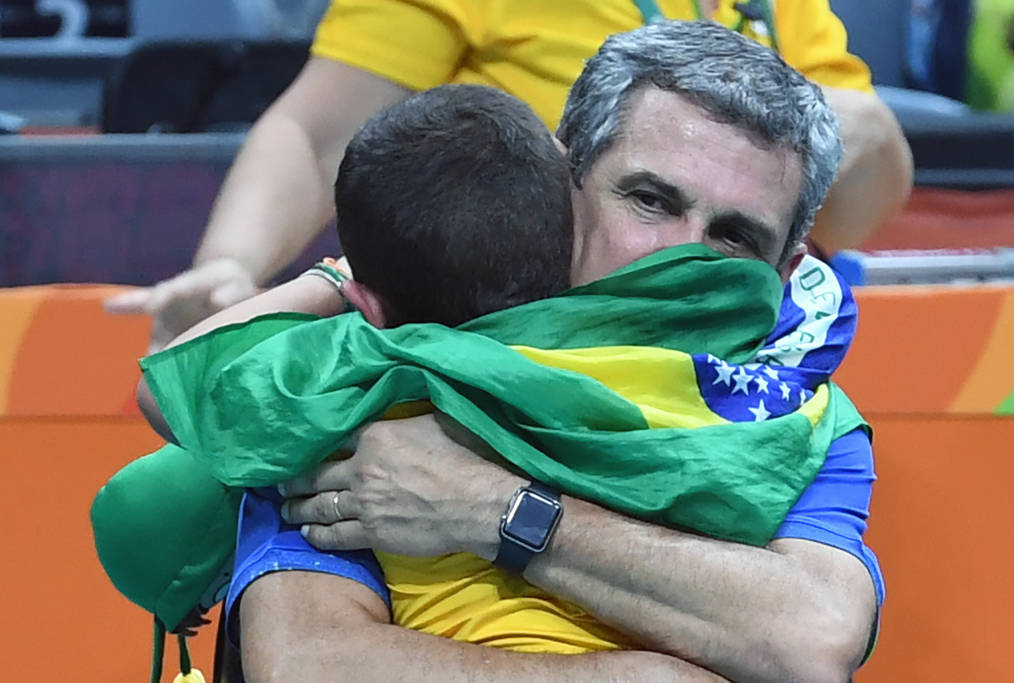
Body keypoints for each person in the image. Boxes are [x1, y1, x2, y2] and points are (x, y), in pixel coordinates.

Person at [216, 21, 879, 682]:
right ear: (561, 183)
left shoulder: (796, 416)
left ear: (785, 270)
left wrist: (492, 507)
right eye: (650, 201)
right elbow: (306, 662)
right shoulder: (390, 356)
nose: (683, 258)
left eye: (734, 236)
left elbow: (811, 638)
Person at [105, 0, 912, 354]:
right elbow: (317, 133)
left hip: (737, 361)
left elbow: (852, 210)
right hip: (514, 344)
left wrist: (854, 134)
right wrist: (234, 262)